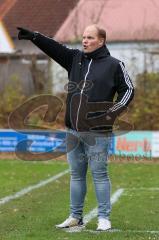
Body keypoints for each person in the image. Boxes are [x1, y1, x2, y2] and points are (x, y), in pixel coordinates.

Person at [17, 25, 134, 231]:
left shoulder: (114, 65)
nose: (85, 41)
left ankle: (104, 218)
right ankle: (75, 216)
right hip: (72, 130)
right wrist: (35, 36)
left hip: (97, 133)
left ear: (101, 41)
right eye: (83, 37)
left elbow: (128, 90)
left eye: (89, 37)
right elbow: (54, 48)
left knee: (100, 175)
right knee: (76, 175)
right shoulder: (75, 59)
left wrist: (110, 113)